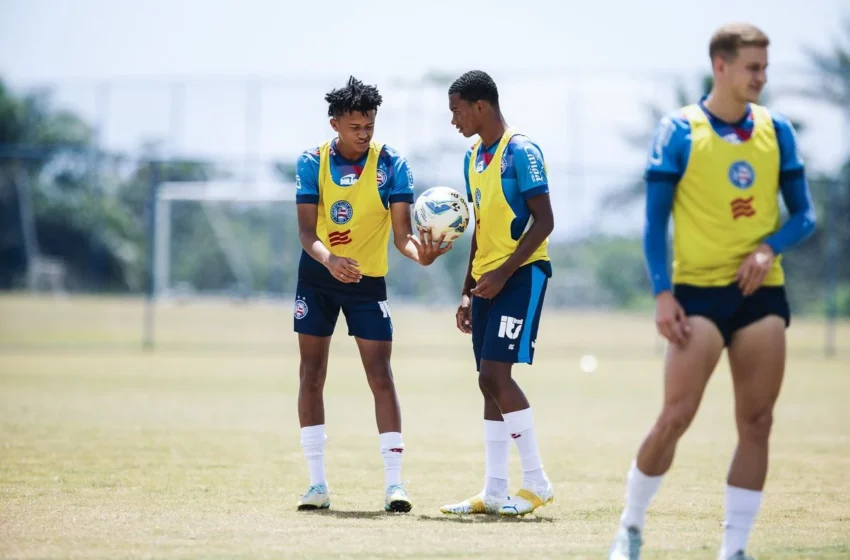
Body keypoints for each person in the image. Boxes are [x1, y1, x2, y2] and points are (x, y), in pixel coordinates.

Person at [607, 23, 816, 560]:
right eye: (753, 68)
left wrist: (769, 248)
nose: (762, 78)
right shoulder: (678, 131)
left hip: (761, 295)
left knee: (758, 421)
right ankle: (630, 527)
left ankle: (734, 548)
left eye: (765, 68)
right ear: (720, 66)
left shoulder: (778, 130)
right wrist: (662, 293)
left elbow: (805, 216)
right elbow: (654, 224)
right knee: (675, 417)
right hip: (696, 296)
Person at [293, 76, 451, 513]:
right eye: (355, 126)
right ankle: (317, 485)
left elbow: (402, 236)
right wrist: (330, 261)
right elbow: (307, 231)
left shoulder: (393, 164)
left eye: (370, 124)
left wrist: (422, 254)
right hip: (319, 277)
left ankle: (394, 486)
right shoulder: (312, 161)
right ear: (335, 124)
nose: (364, 133)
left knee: (380, 375)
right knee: (311, 374)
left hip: (367, 282)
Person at [438, 70, 556, 517]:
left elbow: (544, 221)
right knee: (487, 382)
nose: (454, 120)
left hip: (521, 275)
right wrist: (467, 291)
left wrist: (504, 274)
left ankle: (538, 482)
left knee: (496, 377)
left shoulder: (521, 151)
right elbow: (480, 229)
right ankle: (493, 491)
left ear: (480, 106)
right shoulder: (472, 158)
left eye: (457, 110)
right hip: (487, 280)